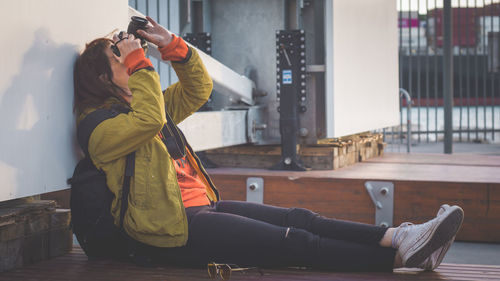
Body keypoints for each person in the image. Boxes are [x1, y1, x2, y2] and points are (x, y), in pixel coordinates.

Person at [73, 16, 464, 272]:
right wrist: (141, 65)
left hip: (199, 208)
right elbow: (150, 120)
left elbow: (199, 89)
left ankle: (401, 237)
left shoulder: (146, 104)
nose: (133, 57)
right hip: (170, 231)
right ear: (104, 80)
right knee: (292, 243)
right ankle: (396, 260)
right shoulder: (97, 127)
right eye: (119, 57)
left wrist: (172, 45)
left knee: (301, 219)